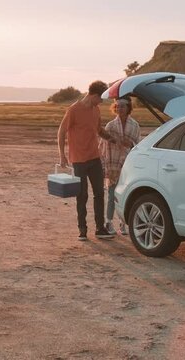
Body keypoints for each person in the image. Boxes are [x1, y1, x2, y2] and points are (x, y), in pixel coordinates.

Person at [58, 80, 116, 241]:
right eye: (101, 98)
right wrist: (62, 154)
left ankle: (100, 228)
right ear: (94, 95)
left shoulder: (96, 110)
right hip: (78, 160)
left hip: (94, 158)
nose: (102, 102)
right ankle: (82, 229)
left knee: (99, 193)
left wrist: (112, 138)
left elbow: (98, 130)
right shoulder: (74, 110)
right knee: (81, 195)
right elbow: (61, 132)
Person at [99, 97, 140, 235]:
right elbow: (103, 146)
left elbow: (138, 146)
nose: (119, 108)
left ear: (128, 107)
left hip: (128, 165)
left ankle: (124, 223)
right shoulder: (110, 125)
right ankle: (109, 222)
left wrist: (131, 144)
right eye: (117, 106)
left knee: (127, 194)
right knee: (111, 195)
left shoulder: (135, 125)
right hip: (113, 164)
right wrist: (104, 165)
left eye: (122, 106)